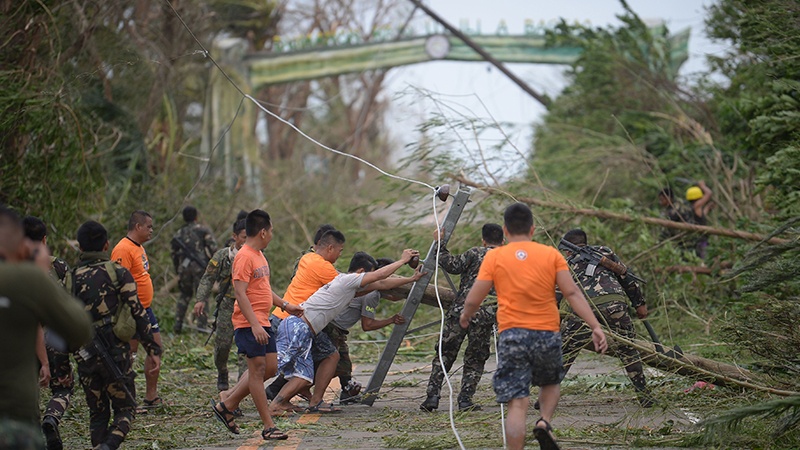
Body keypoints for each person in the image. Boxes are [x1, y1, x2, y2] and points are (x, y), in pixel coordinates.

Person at [460, 203, 608, 450]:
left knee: (517, 403)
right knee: (550, 383)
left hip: (512, 335)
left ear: (505, 231)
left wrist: (466, 314)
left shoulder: (495, 256)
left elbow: (476, 295)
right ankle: (544, 422)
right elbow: (571, 292)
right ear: (532, 229)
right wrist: (595, 326)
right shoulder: (551, 255)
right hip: (546, 332)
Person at [269, 250, 422, 416]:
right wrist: (402, 261)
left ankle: (302, 401)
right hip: (299, 327)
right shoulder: (349, 280)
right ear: (361, 273)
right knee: (276, 369)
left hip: (303, 328)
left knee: (325, 360)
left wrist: (412, 279)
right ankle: (269, 401)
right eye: (369, 275)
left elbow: (381, 283)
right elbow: (379, 277)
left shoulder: (348, 285)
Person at [0, 205, 92, 449]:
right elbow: (80, 328)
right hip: (13, 420)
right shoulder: (27, 278)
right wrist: (39, 272)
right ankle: (51, 419)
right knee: (62, 388)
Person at [210, 209, 303, 441]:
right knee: (257, 370)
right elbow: (240, 294)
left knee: (270, 369)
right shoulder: (244, 257)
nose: (271, 235)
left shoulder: (260, 255)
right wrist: (254, 325)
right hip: (248, 323)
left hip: (263, 320)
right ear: (263, 232)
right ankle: (268, 426)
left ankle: (227, 403)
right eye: (271, 231)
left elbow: (262, 289)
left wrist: (285, 305)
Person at [71, 220, 162, 450]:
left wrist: (59, 364)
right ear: (106, 245)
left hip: (85, 356)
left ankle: (100, 445)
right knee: (126, 409)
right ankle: (109, 445)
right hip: (116, 354)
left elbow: (59, 321)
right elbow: (138, 311)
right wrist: (153, 350)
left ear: (80, 248)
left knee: (97, 413)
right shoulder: (117, 272)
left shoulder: (71, 279)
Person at [557, 229, 654, 407]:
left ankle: (547, 397)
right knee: (628, 349)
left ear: (568, 249)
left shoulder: (566, 262)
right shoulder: (605, 251)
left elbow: (557, 295)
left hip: (582, 310)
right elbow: (626, 278)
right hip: (614, 304)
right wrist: (639, 304)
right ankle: (644, 395)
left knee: (566, 351)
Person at [421, 223, 504, 412]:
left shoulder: (474, 253)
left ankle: (432, 397)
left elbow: (451, 265)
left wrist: (439, 243)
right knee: (475, 358)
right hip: (485, 316)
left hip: (461, 311)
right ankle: (465, 399)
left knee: (444, 353)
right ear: (503, 241)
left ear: (483, 240)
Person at [265, 226, 342, 401]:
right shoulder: (322, 266)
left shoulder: (307, 258)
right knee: (330, 356)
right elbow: (350, 285)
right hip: (295, 323)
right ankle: (231, 399)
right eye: (339, 251)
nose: (339, 256)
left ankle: (287, 397)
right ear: (329, 247)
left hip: (282, 317)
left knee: (297, 366)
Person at [327, 257, 409, 405]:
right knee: (326, 364)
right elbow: (368, 325)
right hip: (332, 328)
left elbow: (394, 296)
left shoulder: (369, 287)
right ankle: (279, 390)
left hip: (335, 327)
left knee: (344, 364)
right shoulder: (372, 294)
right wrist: (391, 320)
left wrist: (411, 281)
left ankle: (347, 392)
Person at [22, 216, 73, 450]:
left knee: (27, 388)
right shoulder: (59, 266)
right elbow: (71, 304)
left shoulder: (12, 266)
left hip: (22, 338)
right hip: (53, 338)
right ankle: (52, 418)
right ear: (44, 239)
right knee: (62, 386)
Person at [111, 210, 163, 409]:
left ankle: (151, 396)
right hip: (130, 311)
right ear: (138, 226)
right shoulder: (123, 249)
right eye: (148, 226)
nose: (151, 230)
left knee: (155, 349)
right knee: (129, 353)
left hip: (145, 310)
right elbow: (117, 282)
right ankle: (123, 397)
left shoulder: (139, 247)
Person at [194, 218, 248, 391]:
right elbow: (208, 278)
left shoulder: (255, 256)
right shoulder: (223, 256)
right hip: (227, 305)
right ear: (235, 237)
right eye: (243, 237)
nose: (246, 241)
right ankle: (222, 371)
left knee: (245, 349)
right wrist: (201, 299)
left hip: (247, 307)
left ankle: (241, 386)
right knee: (223, 345)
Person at [171, 206, 218, 333]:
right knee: (202, 296)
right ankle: (201, 328)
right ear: (196, 217)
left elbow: (174, 254)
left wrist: (178, 270)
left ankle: (178, 325)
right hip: (200, 268)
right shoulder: (203, 230)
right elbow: (214, 249)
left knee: (184, 295)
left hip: (184, 268)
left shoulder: (178, 233)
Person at [685, 181, 713, 258]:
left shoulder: (693, 208)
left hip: (697, 238)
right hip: (701, 239)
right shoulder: (696, 205)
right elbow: (709, 193)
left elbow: (701, 217)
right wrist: (703, 186)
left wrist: (707, 208)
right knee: (704, 257)